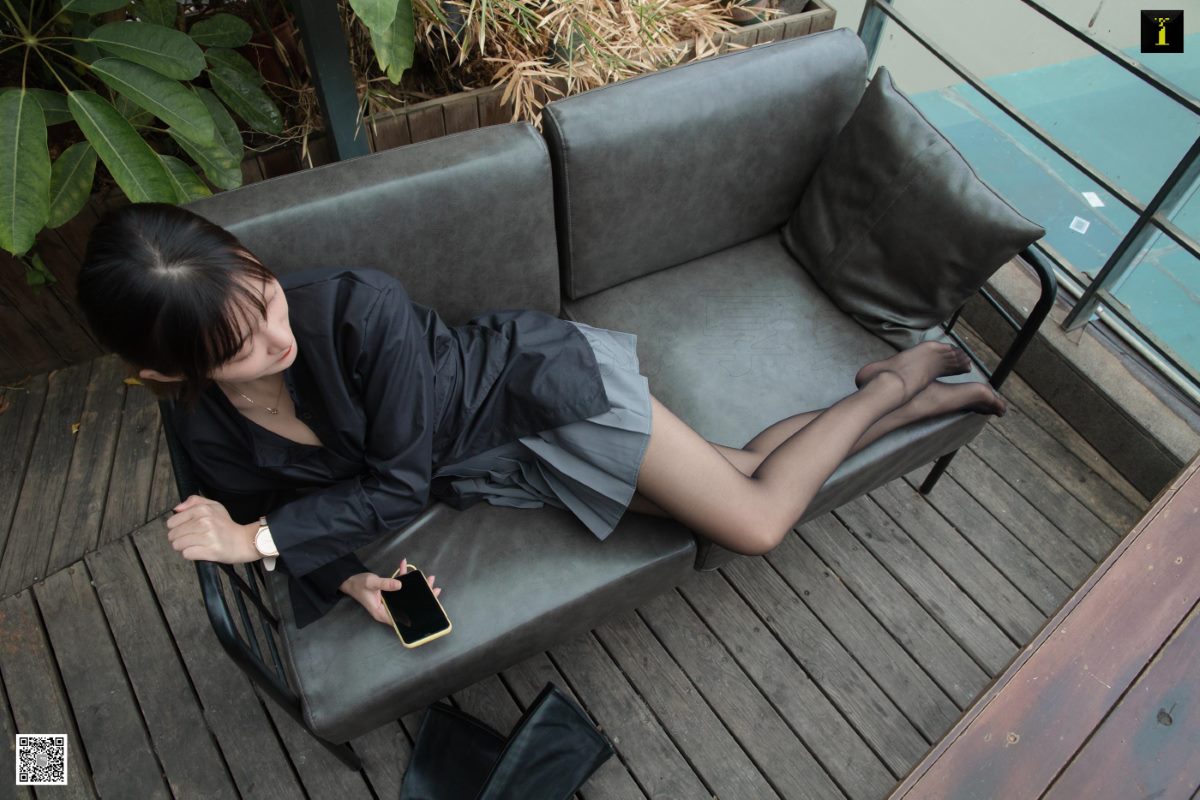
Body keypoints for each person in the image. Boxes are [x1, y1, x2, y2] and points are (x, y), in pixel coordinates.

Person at [76, 202, 1006, 629]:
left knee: (756, 521)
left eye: (269, 297)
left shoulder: (358, 308)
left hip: (535, 390)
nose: (278, 338)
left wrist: (257, 540)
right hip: (496, 461)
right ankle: (914, 399)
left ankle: (891, 385)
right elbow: (292, 513)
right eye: (241, 346)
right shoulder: (205, 429)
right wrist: (353, 578)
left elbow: (389, 482)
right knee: (740, 472)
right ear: (170, 371)